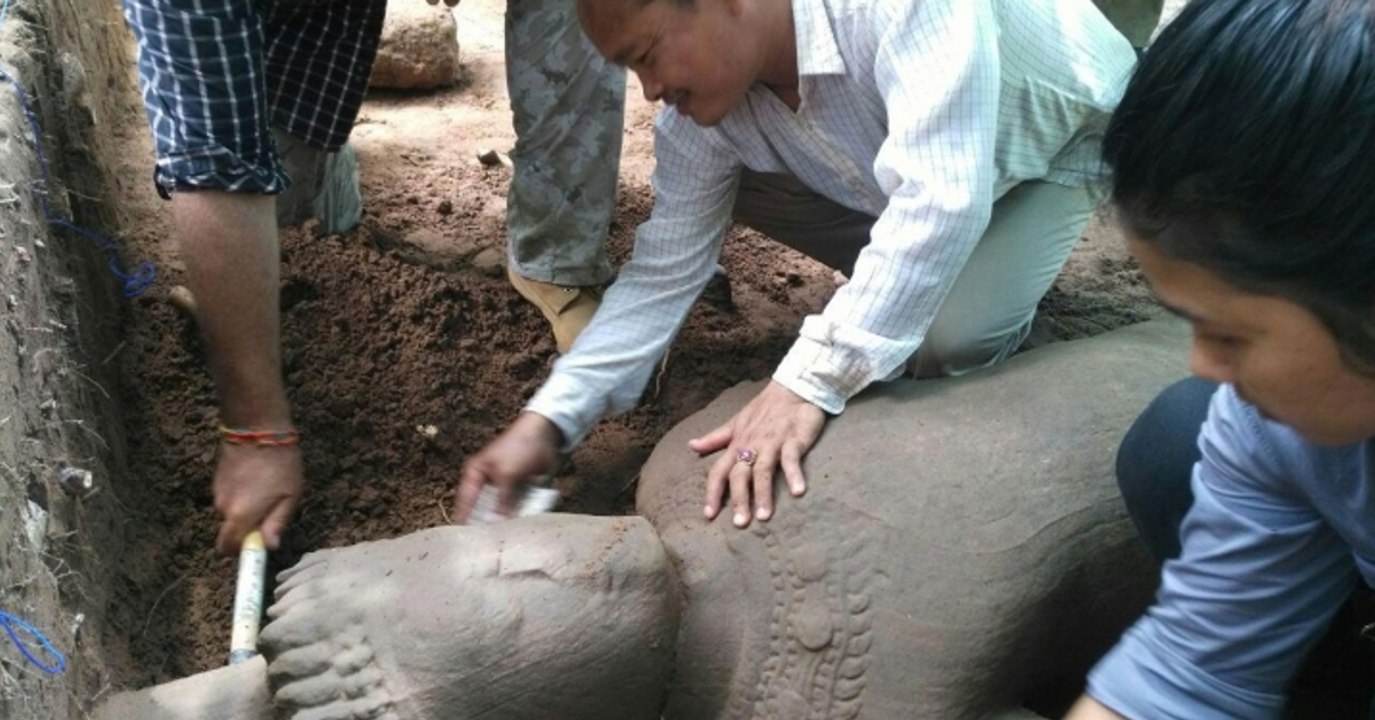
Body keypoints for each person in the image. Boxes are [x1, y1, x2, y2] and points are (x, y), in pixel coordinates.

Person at [456, 0, 1141, 526]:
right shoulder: (709, 109)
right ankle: (910, 285)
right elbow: (663, 270)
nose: (651, 91)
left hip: (1049, 149)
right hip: (912, 165)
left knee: (947, 339)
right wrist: (547, 420)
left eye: (647, 56)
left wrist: (808, 381)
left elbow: (942, 199)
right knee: (718, 178)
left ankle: (973, 287)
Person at [123, 0, 623, 554]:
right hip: (299, 34)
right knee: (293, 229)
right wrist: (255, 429)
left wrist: (554, 418)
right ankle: (318, 174)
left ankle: (558, 261)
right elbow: (212, 161)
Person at [1060, 0, 1375, 717]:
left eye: (1229, 334)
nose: (1204, 365)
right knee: (1178, 438)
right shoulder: (1276, 432)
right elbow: (1188, 670)